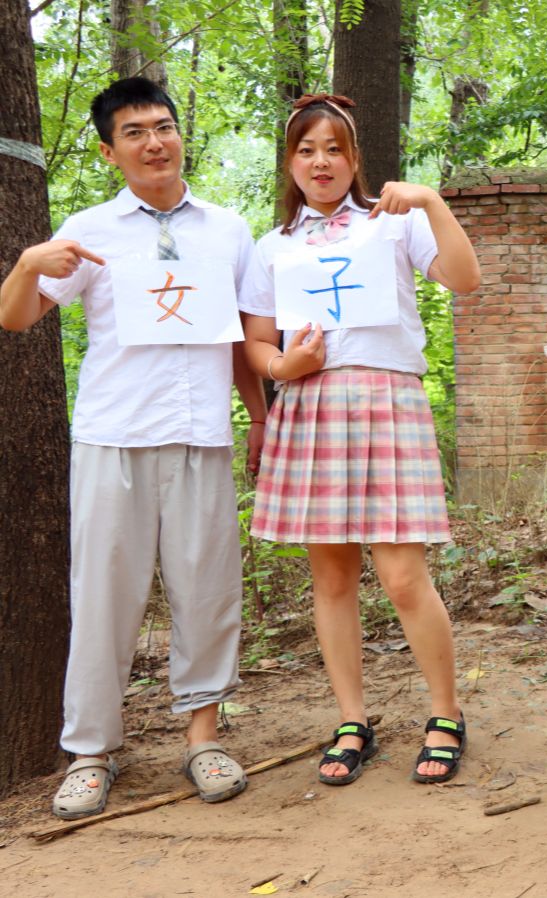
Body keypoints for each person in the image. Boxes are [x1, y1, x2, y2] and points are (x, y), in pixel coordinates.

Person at [0, 77, 266, 818]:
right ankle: (92, 753)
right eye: (136, 132)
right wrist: (27, 265)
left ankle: (203, 737)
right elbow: (15, 320)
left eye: (164, 126)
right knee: (103, 596)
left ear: (180, 133)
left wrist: (261, 420)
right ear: (110, 149)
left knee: (208, 591)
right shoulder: (89, 232)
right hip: (113, 436)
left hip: (200, 435)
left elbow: (243, 335)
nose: (155, 142)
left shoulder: (227, 229)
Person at [239, 94, 482, 786]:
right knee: (332, 576)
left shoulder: (393, 225)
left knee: (403, 577)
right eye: (307, 149)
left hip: (387, 400)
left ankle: (445, 712)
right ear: (290, 162)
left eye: (335, 149)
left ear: (354, 159)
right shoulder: (273, 247)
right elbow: (256, 342)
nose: (322, 161)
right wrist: (285, 367)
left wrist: (431, 201)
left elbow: (464, 279)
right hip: (310, 404)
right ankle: (352, 718)